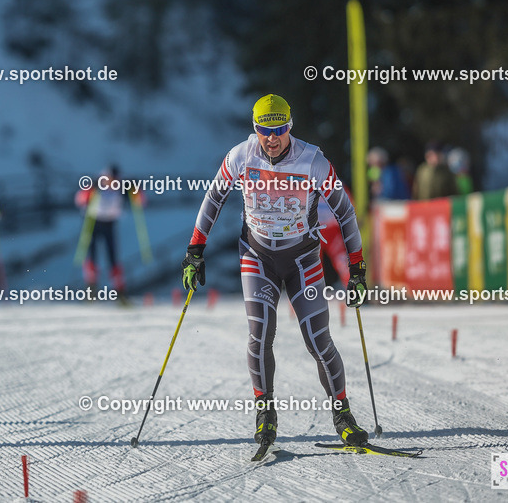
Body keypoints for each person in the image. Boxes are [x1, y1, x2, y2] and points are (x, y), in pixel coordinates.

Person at [181, 94, 369, 451]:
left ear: (290, 127)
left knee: (318, 339)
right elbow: (213, 198)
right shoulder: (241, 156)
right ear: (255, 129)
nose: (273, 137)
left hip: (303, 259)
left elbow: (345, 213)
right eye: (265, 130)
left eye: (280, 129)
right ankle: (265, 411)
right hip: (258, 256)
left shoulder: (312, 161)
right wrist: (195, 249)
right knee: (259, 332)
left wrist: (357, 267)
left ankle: (342, 414)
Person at [75, 166, 143, 300]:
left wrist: (136, 190)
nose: (113, 183)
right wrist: (90, 191)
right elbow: (80, 200)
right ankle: (91, 289)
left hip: (110, 224)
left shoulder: (121, 187)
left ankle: (120, 291)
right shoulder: (97, 184)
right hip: (92, 222)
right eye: (111, 180)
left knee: (113, 258)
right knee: (92, 256)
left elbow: (140, 202)